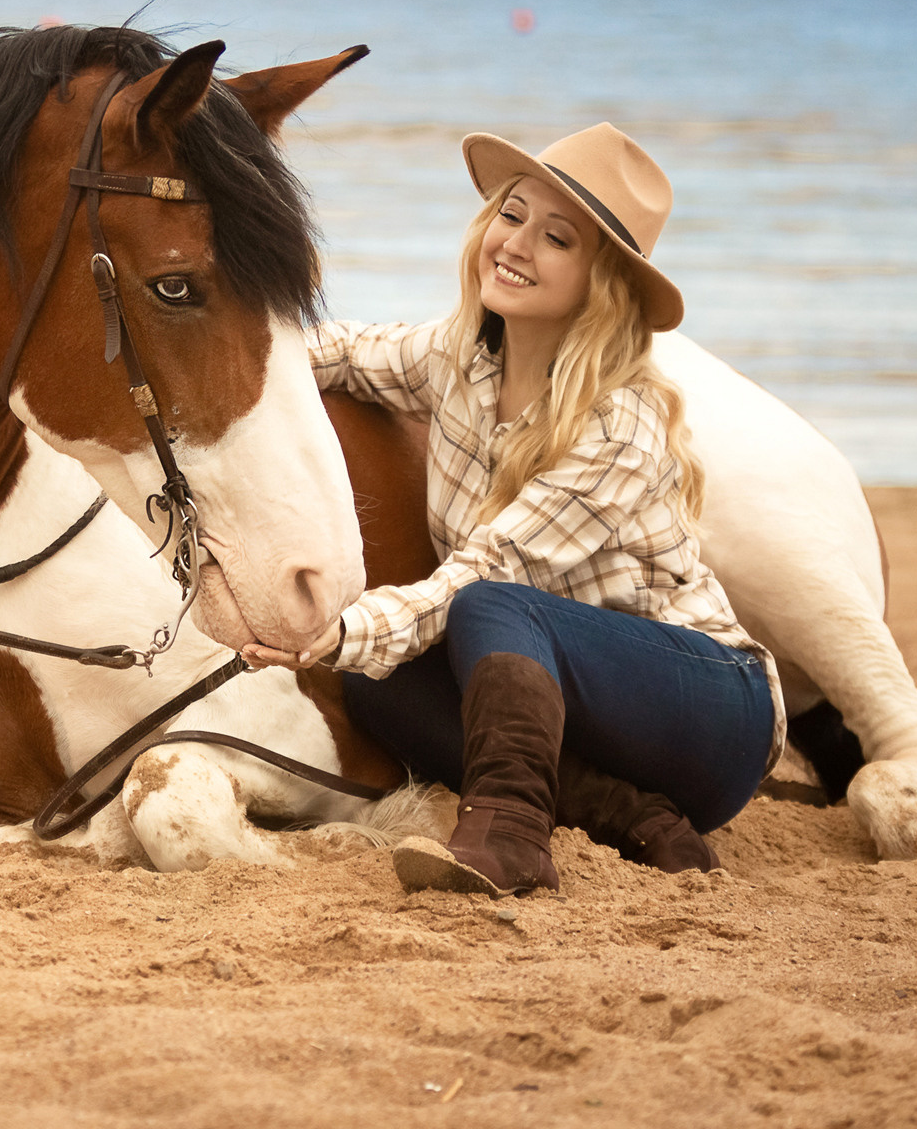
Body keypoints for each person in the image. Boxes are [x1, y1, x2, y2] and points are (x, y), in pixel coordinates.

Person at [239, 124, 784, 897]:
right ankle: (628, 815)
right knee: (376, 685)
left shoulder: (619, 424)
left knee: (486, 605)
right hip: (580, 720)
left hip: (709, 713)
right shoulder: (457, 359)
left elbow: (483, 573)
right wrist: (225, 340)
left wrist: (332, 630)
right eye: (512, 214)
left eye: (556, 238)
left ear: (602, 283)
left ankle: (511, 838)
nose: (516, 245)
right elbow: (343, 350)